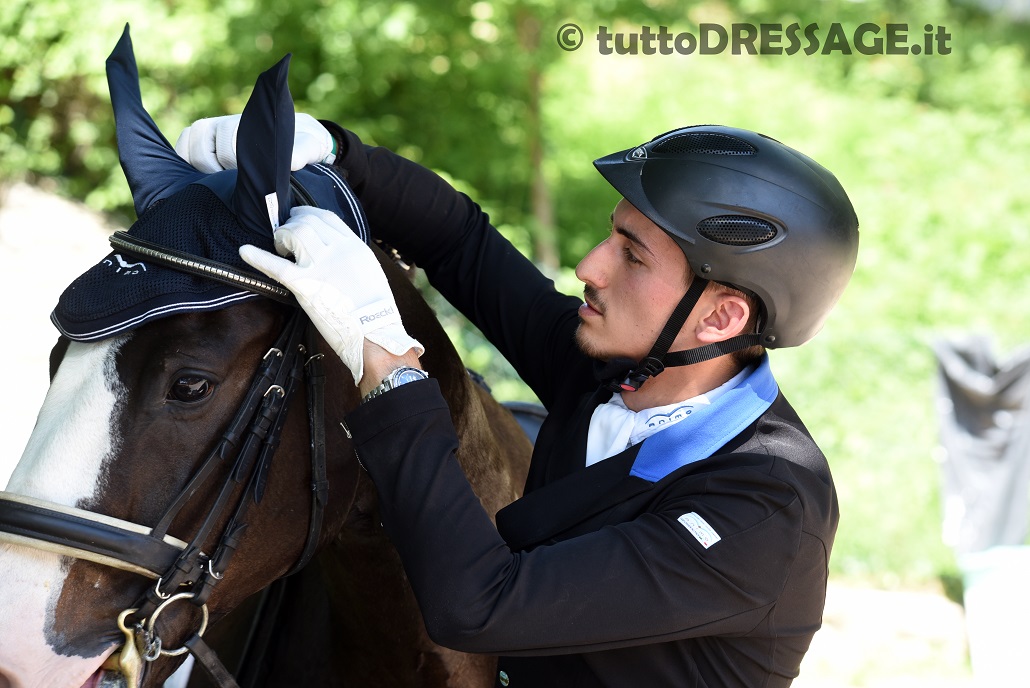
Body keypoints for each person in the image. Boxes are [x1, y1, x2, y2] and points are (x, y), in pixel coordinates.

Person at [176, 117, 859, 687]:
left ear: (720, 319)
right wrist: (334, 153)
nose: (590, 267)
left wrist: (387, 368)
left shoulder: (765, 507)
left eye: (633, 256)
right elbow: (462, 245)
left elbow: (479, 604)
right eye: (609, 235)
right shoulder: (617, 375)